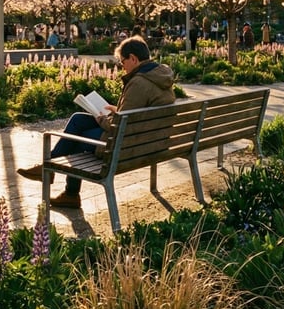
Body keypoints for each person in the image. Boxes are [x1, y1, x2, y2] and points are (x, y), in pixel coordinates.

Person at [17, 35, 175, 209]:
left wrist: (102, 118)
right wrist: (115, 111)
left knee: (78, 139)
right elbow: (135, 114)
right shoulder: (159, 75)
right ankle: (52, 172)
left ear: (133, 58)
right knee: (78, 119)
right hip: (149, 139)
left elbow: (120, 125)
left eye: (122, 62)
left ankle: (64, 186)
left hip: (128, 144)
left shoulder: (139, 82)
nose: (122, 67)